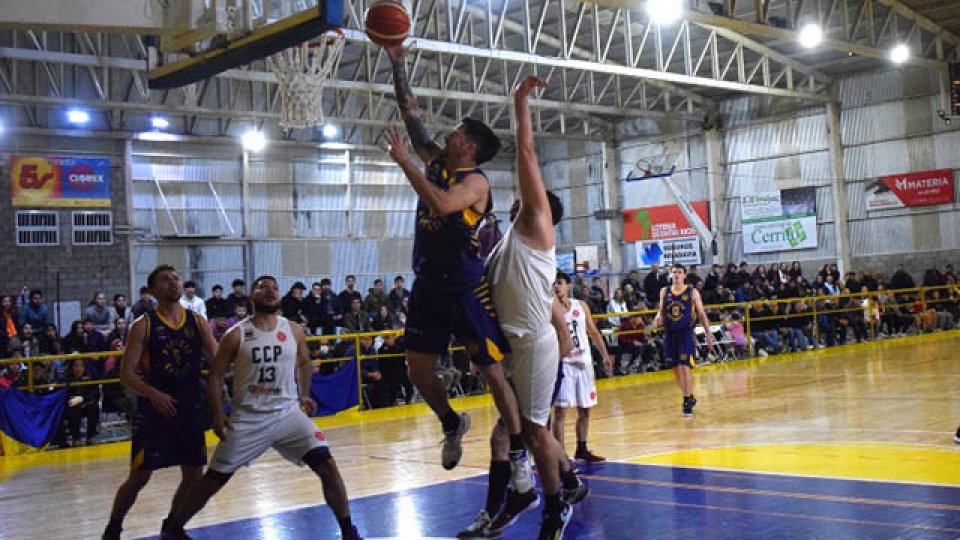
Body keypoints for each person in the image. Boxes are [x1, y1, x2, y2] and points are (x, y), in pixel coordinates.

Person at [384, 43, 530, 483]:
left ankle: (519, 453)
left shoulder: (476, 182)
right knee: (416, 370)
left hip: (464, 285)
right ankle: (451, 422)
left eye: (455, 132)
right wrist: (397, 62)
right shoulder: (436, 159)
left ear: (468, 146)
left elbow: (443, 204)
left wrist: (404, 163)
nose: (447, 134)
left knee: (490, 370)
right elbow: (410, 111)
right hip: (428, 281)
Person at [459, 76, 585, 540]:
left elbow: (527, 154)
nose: (517, 196)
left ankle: (555, 507)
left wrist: (519, 101)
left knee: (533, 431)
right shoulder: (509, 240)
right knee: (503, 434)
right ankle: (507, 504)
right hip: (510, 345)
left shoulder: (537, 226)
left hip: (532, 345)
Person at [159, 276, 362, 540]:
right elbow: (215, 375)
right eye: (262, 287)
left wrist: (303, 394)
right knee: (213, 480)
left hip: (288, 414)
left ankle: (348, 531)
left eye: (274, 287)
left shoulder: (293, 330)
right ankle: (174, 526)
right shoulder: (236, 334)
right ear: (251, 297)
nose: (270, 291)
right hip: (249, 418)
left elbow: (303, 362)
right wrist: (218, 413)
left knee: (327, 465)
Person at [102, 265, 218, 540]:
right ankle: (113, 528)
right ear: (153, 290)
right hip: (154, 410)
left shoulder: (197, 322)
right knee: (140, 476)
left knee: (194, 475)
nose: (173, 282)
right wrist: (153, 394)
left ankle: (173, 525)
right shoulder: (143, 325)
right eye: (165, 280)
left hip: (189, 406)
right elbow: (127, 375)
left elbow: (219, 359)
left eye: (175, 278)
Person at [552, 271, 613, 464]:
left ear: (568, 285)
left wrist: (605, 355)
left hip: (584, 363)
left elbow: (593, 332)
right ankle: (560, 455)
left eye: (559, 283)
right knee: (560, 412)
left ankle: (582, 448)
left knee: (585, 409)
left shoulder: (581, 305)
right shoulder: (550, 310)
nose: (556, 287)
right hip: (564, 363)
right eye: (554, 284)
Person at [654, 263, 715, 417]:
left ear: (684, 275)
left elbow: (701, 313)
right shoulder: (665, 291)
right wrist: (658, 317)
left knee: (684, 365)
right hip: (669, 333)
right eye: (674, 272)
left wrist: (708, 333)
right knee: (675, 368)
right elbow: (661, 311)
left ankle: (686, 400)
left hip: (685, 333)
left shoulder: (692, 292)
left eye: (679, 272)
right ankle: (689, 395)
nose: (676, 275)